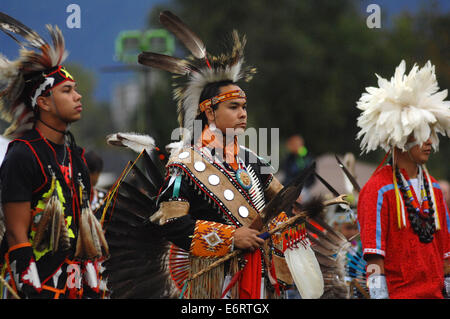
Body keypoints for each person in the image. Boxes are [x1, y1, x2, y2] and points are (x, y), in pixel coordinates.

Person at [118, 11, 325, 299]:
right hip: (215, 282)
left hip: (262, 280)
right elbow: (171, 222)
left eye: (244, 105)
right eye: (233, 107)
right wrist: (231, 237)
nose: (243, 113)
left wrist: (294, 220)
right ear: (209, 111)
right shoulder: (184, 164)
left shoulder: (252, 160)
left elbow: (281, 207)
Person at [0, 13, 107, 299]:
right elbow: (16, 233)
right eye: (68, 91)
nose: (78, 97)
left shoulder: (76, 157)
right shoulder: (22, 155)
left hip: (75, 287)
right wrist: (31, 288)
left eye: (76, 90)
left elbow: (85, 231)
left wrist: (94, 286)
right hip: (36, 286)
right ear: (43, 102)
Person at [355, 60, 450, 299]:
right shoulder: (378, 189)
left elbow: (445, 252)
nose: (429, 141)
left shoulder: (435, 189)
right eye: (422, 133)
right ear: (402, 137)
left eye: (432, 132)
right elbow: (375, 257)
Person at [282, 134, 315, 200]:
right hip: (290, 187)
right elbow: (287, 176)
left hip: (302, 188)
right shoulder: (289, 158)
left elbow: (310, 176)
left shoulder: (306, 157)